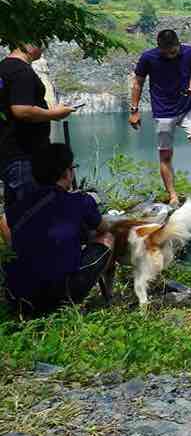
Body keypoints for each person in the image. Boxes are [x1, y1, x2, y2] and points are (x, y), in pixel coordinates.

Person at [3, 143, 116, 318]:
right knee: (107, 238)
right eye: (73, 168)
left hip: (17, 295)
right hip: (60, 294)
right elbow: (104, 228)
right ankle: (107, 296)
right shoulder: (80, 201)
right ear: (66, 172)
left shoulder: (19, 205)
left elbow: (5, 220)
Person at [1, 41, 76, 244]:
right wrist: (55, 114)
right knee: (33, 209)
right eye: (42, 45)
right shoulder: (21, 72)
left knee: (14, 208)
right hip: (24, 152)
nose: (44, 50)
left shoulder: (3, 68)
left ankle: (15, 257)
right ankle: (33, 259)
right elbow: (21, 109)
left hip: (8, 151)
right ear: (29, 44)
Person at [129, 29, 191, 204]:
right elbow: (138, 83)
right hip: (163, 111)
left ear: (178, 44)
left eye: (173, 52)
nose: (170, 55)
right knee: (166, 155)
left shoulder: (189, 52)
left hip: (186, 106)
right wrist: (134, 110)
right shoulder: (148, 58)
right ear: (159, 47)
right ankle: (173, 196)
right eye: (165, 52)